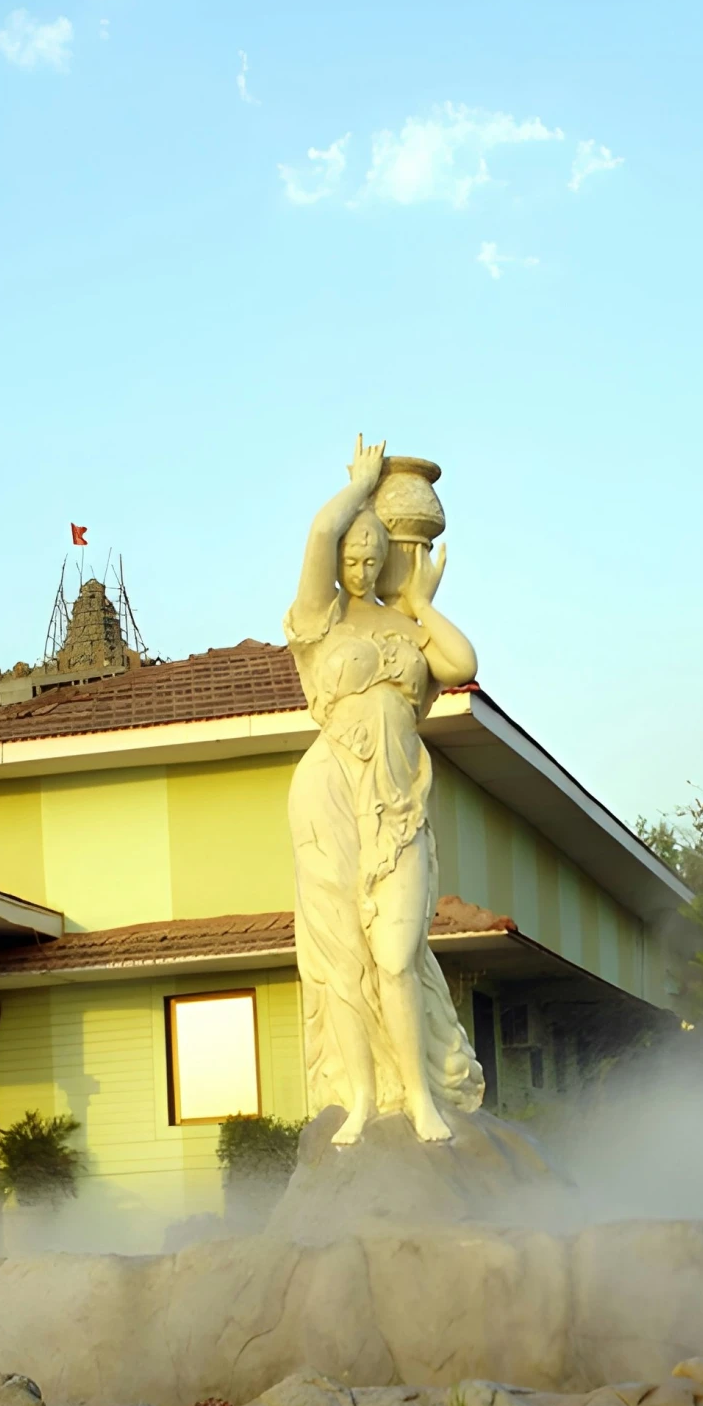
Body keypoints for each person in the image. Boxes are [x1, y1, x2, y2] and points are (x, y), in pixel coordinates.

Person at [285, 436, 485, 1145]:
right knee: (342, 956)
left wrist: (418, 602)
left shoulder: (403, 625)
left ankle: (421, 1098)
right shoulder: (320, 621)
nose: (362, 567)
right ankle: (364, 1100)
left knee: (396, 954)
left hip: (397, 803)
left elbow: (461, 662)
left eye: (373, 558)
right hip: (330, 791)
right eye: (352, 558)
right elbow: (316, 533)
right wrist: (359, 487)